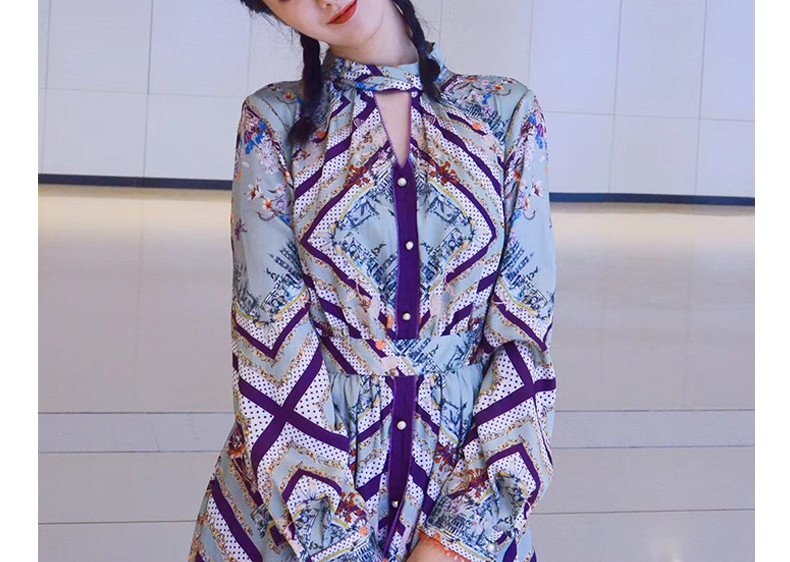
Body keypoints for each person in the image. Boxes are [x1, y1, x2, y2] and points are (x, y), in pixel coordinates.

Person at [188, 1, 558, 562]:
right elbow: (270, 345)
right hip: (297, 515)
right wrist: (332, 541)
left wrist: (460, 539)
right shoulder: (273, 123)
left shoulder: (504, 114)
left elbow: (525, 336)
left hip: (465, 505)